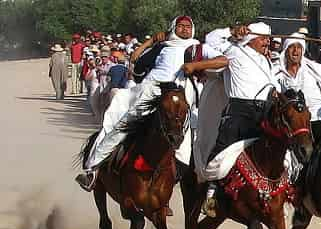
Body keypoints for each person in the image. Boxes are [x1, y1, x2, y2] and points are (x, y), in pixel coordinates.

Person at [75, 16, 227, 191]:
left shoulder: (198, 48)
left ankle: (201, 188)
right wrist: (151, 41)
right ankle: (92, 170)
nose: (184, 29)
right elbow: (135, 62)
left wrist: (196, 65)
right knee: (121, 126)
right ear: (173, 28)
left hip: (181, 99)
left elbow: (223, 61)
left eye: (188, 26)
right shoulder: (162, 46)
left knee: (191, 144)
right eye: (180, 26)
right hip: (151, 92)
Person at [200, 22, 280, 217]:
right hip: (239, 110)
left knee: (276, 151)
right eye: (263, 39)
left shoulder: (266, 61)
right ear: (251, 39)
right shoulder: (234, 50)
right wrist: (231, 31)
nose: (266, 42)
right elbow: (209, 41)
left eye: (267, 39)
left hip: (264, 112)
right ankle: (211, 194)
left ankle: (275, 194)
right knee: (222, 153)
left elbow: (272, 84)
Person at [274, 32, 321, 144]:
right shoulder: (277, 74)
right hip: (295, 128)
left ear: (302, 51)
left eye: (299, 47)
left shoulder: (313, 68)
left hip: (319, 120)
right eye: (292, 47)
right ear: (285, 51)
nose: (295, 51)